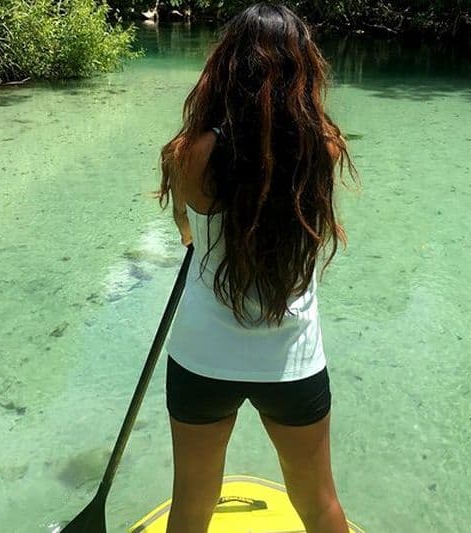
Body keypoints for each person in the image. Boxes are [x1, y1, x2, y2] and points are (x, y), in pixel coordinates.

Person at [157, 3, 358, 532]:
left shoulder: (189, 156)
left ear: (226, 67)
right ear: (302, 68)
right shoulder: (323, 149)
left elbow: (186, 234)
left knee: (192, 505)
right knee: (318, 503)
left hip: (203, 357)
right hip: (292, 360)